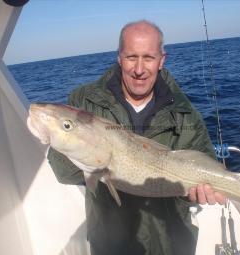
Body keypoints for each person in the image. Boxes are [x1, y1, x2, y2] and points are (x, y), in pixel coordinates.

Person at [47, 20, 226, 255]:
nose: (139, 69)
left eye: (148, 58)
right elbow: (64, 173)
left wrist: (199, 195)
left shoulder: (185, 115)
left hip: (170, 244)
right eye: (131, 57)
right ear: (119, 57)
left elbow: (203, 174)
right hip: (111, 244)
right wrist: (62, 140)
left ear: (162, 60)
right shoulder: (84, 103)